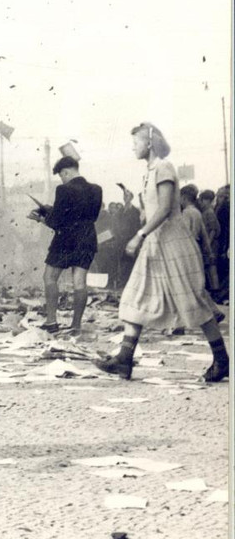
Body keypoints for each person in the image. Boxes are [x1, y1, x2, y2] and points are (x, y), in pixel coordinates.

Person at [95, 123, 227, 383]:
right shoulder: (149, 172)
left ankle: (222, 360)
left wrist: (140, 234)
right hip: (155, 244)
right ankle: (124, 359)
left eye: (136, 141)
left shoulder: (164, 167)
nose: (133, 146)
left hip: (174, 244)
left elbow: (165, 208)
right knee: (135, 297)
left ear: (149, 143)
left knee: (194, 302)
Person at [29, 155, 102, 335]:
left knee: (49, 277)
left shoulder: (63, 189)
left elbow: (56, 222)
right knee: (79, 282)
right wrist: (53, 210)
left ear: (66, 171)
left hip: (66, 240)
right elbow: (90, 217)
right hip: (87, 238)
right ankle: (76, 326)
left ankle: (51, 322)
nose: (62, 179)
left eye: (61, 175)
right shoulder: (96, 189)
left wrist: (40, 218)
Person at [179, 184, 220, 309]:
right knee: (196, 278)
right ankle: (211, 308)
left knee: (187, 278)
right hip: (197, 246)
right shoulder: (197, 212)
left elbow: (186, 233)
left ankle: (203, 307)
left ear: (184, 198)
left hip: (188, 246)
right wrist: (209, 250)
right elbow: (204, 234)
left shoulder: (186, 213)